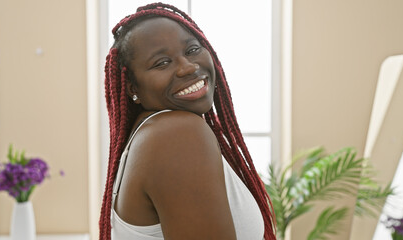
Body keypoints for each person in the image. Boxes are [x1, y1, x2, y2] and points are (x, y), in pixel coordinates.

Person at [99, 3, 276, 240]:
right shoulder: (176, 134)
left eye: (192, 49)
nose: (188, 67)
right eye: (161, 63)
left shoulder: (155, 132)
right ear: (133, 88)